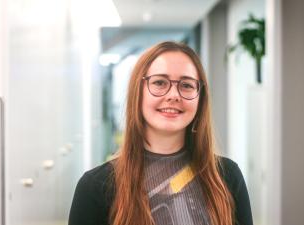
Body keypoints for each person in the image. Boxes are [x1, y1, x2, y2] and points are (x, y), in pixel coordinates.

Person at [68, 41, 253, 225]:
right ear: (137, 93)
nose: (173, 95)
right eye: (159, 82)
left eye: (186, 85)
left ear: (200, 98)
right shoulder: (95, 187)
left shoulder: (228, 177)